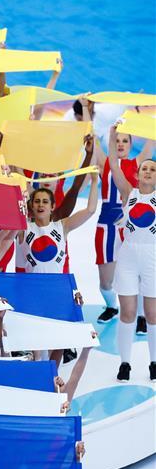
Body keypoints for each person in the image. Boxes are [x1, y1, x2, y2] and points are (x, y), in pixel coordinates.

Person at [85, 96, 154, 325]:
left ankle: (143, 315)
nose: (121, 144)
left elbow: (151, 140)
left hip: (130, 224)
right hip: (106, 223)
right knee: (105, 280)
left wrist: (144, 117)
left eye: (126, 140)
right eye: (118, 140)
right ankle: (111, 306)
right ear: (113, 142)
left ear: (130, 143)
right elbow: (91, 138)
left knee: (139, 273)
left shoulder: (138, 164)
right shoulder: (106, 163)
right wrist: (86, 109)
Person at [106, 126, 156, 381]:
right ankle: (124, 363)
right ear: (137, 175)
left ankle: (154, 362)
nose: (147, 171)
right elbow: (113, 164)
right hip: (128, 257)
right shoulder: (129, 193)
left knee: (152, 314)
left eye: (152, 169)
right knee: (127, 312)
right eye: (144, 168)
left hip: (153, 258)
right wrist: (113, 134)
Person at [16, 171, 99, 273]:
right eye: (37, 201)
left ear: (52, 207)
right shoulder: (24, 228)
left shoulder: (63, 226)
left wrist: (95, 181)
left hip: (56, 284)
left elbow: (90, 210)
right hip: (32, 285)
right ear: (32, 206)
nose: (41, 205)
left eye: (45, 202)